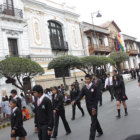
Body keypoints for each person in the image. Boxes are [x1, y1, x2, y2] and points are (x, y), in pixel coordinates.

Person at [72, 74, 103, 140]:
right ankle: (100, 131)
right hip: (88, 106)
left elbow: (96, 98)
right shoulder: (84, 88)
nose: (87, 80)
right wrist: (75, 100)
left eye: (88, 79)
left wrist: (94, 107)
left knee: (93, 122)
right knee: (94, 119)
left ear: (91, 79)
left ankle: (91, 138)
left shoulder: (94, 87)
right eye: (86, 79)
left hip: (93, 107)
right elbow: (80, 95)